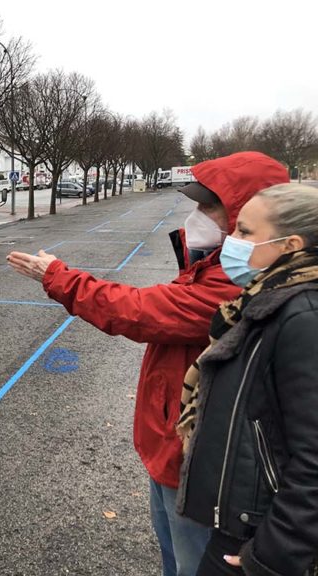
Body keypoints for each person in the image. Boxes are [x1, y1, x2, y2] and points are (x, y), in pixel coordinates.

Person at [6, 151, 289, 576]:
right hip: (174, 447)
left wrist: (59, 277)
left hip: (200, 460)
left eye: (209, 206)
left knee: (192, 562)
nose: (197, 215)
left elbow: (140, 311)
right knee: (174, 557)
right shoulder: (216, 267)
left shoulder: (239, 283)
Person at [176, 183, 318, 576]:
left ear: (290, 245)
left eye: (245, 232)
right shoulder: (259, 299)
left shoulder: (302, 315)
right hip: (239, 521)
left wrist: (273, 555)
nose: (232, 242)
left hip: (255, 538)